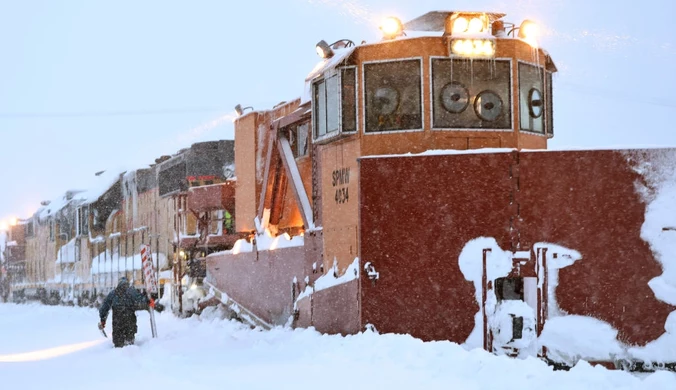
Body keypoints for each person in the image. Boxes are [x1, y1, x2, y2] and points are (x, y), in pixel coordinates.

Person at [98, 277, 155, 348]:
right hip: (130, 322)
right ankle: (130, 353)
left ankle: (117, 354)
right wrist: (148, 299)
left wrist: (103, 320)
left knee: (118, 345)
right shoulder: (132, 291)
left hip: (117, 323)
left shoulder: (113, 293)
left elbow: (104, 307)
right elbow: (140, 300)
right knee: (129, 344)